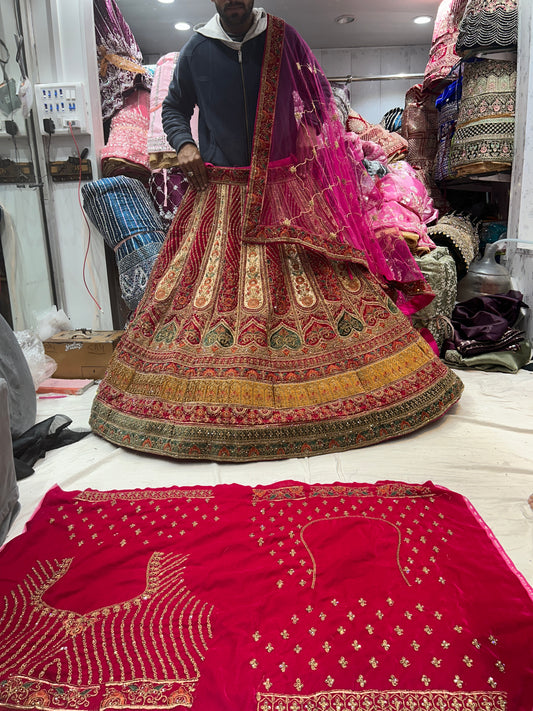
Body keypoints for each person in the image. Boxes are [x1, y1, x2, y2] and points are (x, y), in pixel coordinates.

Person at [90, 1, 463, 461]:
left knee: (326, 288)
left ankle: (316, 385)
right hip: (219, 191)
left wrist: (306, 139)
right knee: (193, 296)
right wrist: (184, 144)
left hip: (285, 192)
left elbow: (320, 99)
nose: (233, 3)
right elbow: (172, 109)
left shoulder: (283, 40)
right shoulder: (195, 51)